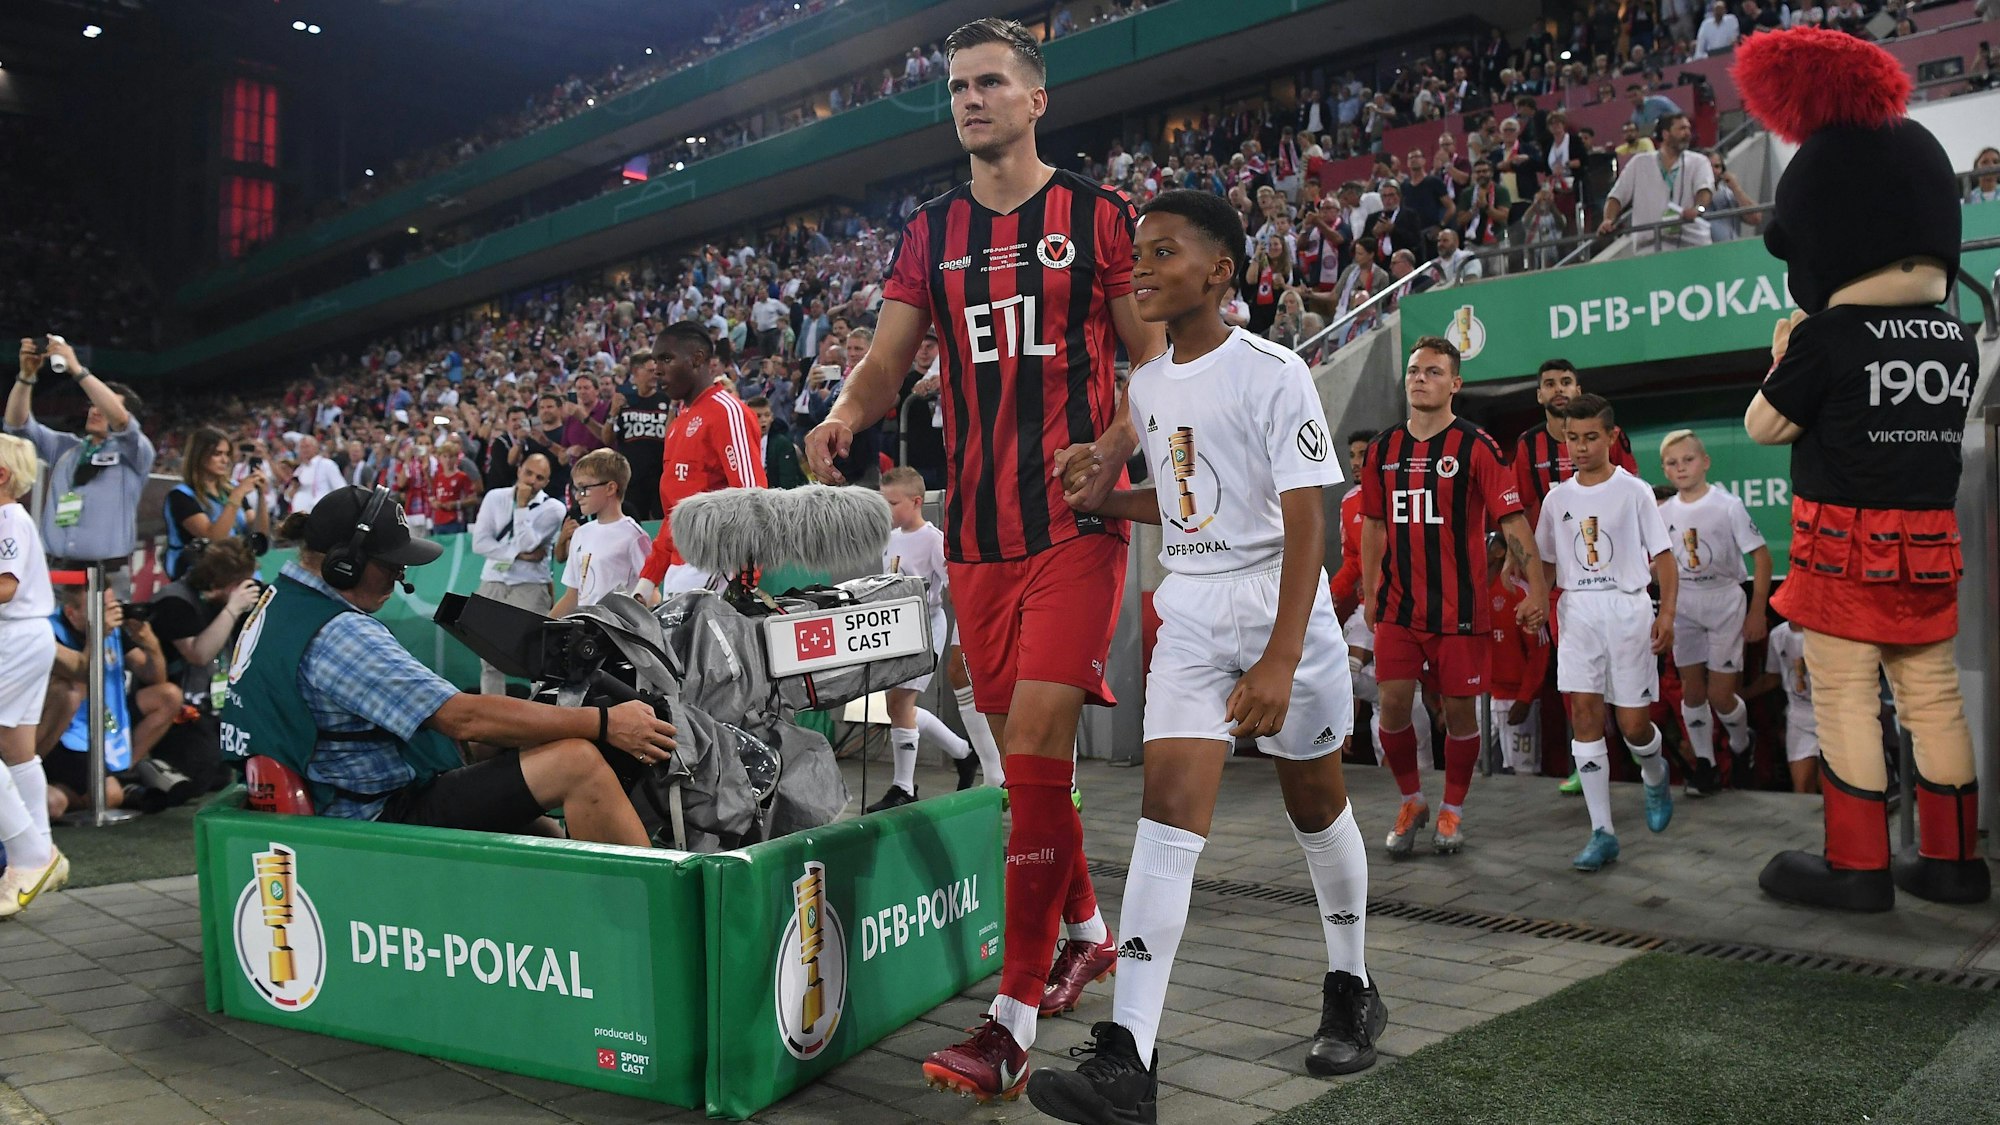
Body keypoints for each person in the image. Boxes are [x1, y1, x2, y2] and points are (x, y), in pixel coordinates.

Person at [802, 17, 1166, 1101]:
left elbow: (1149, 364)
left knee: (1043, 747)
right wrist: (840, 416)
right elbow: (885, 359)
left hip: (1073, 529)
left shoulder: (1098, 216)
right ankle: (1087, 930)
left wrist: (1105, 453)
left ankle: (1007, 1021)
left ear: (1035, 98)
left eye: (989, 82)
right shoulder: (929, 232)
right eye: (956, 86)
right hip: (976, 536)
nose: (969, 100)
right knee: (1022, 771)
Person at [1027, 191, 1384, 1125]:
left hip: (1281, 604)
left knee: (1316, 804)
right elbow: (1189, 504)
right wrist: (1108, 502)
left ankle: (1352, 981)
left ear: (1221, 269)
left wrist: (1277, 657)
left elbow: (1310, 518)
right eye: (1137, 255)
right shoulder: (1146, 384)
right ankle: (1130, 1056)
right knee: (1165, 819)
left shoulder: (1273, 370)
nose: (1140, 269)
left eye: (1163, 253)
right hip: (1187, 602)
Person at [222, 486, 676, 842]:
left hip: (335, 793)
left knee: (538, 824)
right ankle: (657, 915)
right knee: (575, 762)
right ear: (344, 565)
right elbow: (465, 717)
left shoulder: (280, 603)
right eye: (390, 564)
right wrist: (602, 722)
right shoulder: (340, 632)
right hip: (375, 813)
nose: (401, 577)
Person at [1362, 336, 1547, 859]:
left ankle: (1453, 810)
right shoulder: (1382, 449)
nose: (1421, 378)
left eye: (1434, 371)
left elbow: (1511, 520)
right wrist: (1370, 587)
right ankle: (1413, 800)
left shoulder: (1477, 446)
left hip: (1460, 612)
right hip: (1399, 607)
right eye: (1415, 370)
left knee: (1462, 717)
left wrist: (1536, 589)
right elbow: (1373, 523)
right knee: (1393, 707)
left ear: (1455, 384)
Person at [1535, 395, 1678, 872]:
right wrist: (1535, 601)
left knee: (1635, 725)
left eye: (1590, 437)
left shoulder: (1634, 490)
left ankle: (1655, 771)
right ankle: (1603, 831)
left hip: (1628, 608)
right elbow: (1544, 561)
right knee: (1584, 714)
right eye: (1572, 438)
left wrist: (1668, 614)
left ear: (1611, 437)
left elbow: (1664, 558)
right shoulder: (1557, 499)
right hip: (1577, 611)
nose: (1579, 447)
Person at [1657, 429, 1770, 795]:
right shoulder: (1664, 512)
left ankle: (1741, 744)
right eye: (1672, 463)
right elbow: (1661, 564)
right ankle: (1704, 765)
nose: (1681, 468)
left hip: (1724, 601)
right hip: (1685, 603)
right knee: (1692, 689)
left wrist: (1757, 612)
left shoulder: (1727, 505)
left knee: (1722, 696)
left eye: (1688, 460)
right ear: (1665, 470)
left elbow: (1762, 558)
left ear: (1705, 462)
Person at [866, 468, 983, 809]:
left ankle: (904, 786)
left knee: (900, 705)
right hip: (897, 628)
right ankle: (963, 753)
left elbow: (953, 584)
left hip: (925, 627)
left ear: (917, 502)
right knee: (899, 706)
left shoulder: (934, 539)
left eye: (893, 503)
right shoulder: (888, 537)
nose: (886, 510)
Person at [5, 337, 155, 601]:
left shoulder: (135, 454)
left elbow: (121, 421)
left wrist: (77, 369)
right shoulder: (66, 449)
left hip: (105, 576)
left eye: (103, 405)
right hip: (54, 571)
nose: (96, 410)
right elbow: (16, 425)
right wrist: (26, 376)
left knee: (104, 641)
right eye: (92, 404)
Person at [635, 322, 767, 601]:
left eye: (666, 359)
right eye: (655, 361)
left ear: (696, 359)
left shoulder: (727, 412)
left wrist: (743, 585)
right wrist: (646, 585)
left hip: (716, 570)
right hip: (677, 573)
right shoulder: (678, 422)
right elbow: (674, 515)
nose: (657, 370)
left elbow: (754, 502)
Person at [41, 585, 183, 811]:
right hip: (65, 732)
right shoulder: (50, 633)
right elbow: (82, 682)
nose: (111, 613)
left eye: (111, 605)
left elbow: (155, 678)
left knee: (169, 696)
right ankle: (86, 791)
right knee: (108, 796)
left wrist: (150, 643)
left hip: (108, 714)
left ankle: (122, 773)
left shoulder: (112, 630)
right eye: (101, 608)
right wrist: (96, 635)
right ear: (71, 612)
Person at [0, 433, 65, 916]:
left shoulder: (7, 518)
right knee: (17, 750)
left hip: (14, 636)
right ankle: (43, 856)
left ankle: (28, 857)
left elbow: (5, 586)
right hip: (23, 637)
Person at [470, 454, 565, 697]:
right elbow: (479, 543)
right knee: (488, 656)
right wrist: (519, 555)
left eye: (540, 477)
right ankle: (492, 720)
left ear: (546, 482)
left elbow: (528, 541)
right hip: (492, 580)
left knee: (534, 655)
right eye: (529, 473)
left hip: (530, 585)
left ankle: (540, 714)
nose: (532, 481)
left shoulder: (554, 508)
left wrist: (522, 506)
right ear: (519, 470)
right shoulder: (495, 497)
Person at [1512, 359, 1639, 531]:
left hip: (1610, 537)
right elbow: (1521, 506)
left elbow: (1632, 489)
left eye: (1566, 382)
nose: (1559, 389)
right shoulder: (1528, 444)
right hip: (1556, 547)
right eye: (1550, 384)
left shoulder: (1608, 434)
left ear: (1578, 391)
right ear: (1539, 395)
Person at [551, 449, 651, 618]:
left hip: (618, 633)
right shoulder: (581, 533)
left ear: (610, 488)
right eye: (576, 489)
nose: (578, 496)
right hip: (587, 633)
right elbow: (572, 596)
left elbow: (651, 591)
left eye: (584, 488)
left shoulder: (634, 536)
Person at [165, 427, 270, 581]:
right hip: (205, 578)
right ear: (199, 456)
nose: (225, 460)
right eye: (217, 454)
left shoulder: (231, 488)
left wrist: (261, 497)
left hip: (241, 573)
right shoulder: (181, 496)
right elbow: (215, 540)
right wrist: (237, 496)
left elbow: (259, 534)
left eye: (227, 454)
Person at [1598, 112, 1713, 252]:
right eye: (1682, 129)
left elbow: (1704, 191)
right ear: (1665, 134)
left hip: (1692, 245)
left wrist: (1697, 209)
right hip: (1649, 247)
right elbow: (1616, 197)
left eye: (1688, 128)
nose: (1688, 133)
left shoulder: (1699, 161)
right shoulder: (1639, 163)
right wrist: (1608, 220)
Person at [1487, 533, 1551, 775]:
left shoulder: (1519, 592)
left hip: (1515, 698)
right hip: (1478, 698)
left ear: (1499, 552)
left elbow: (1540, 650)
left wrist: (1525, 697)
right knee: (1472, 768)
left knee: (1524, 774)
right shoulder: (1468, 592)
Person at [1754, 616, 1818, 793]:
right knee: (1802, 788)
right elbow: (1772, 678)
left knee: (1831, 789)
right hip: (1798, 718)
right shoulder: (1778, 635)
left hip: (1829, 716)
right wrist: (1741, 695)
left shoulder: (1826, 634)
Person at [610, 348, 674, 521]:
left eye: (656, 371)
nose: (655, 375)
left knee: (661, 523)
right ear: (636, 372)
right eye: (650, 370)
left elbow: (672, 436)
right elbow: (607, 439)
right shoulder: (624, 401)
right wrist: (612, 413)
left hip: (659, 475)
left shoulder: (667, 400)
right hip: (632, 477)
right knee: (633, 521)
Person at [291, 435, 346, 514]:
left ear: (315, 448)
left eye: (307, 446)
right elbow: (289, 495)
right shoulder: (300, 469)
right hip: (300, 516)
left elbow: (341, 489)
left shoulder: (327, 464)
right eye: (301, 447)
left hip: (321, 513)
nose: (304, 450)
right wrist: (293, 490)